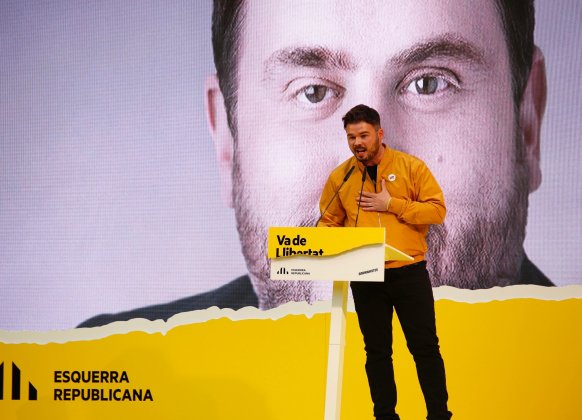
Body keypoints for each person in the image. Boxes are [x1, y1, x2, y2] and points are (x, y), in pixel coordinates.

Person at [80, 0, 551, 327]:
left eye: (429, 84)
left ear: (526, 123)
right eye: (313, 92)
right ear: (228, 142)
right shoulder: (102, 382)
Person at [318, 104, 451, 419]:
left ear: (379, 134)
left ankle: (439, 414)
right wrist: (330, 240)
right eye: (351, 137)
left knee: (425, 349)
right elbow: (327, 223)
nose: (357, 143)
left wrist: (392, 204)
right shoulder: (341, 176)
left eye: (363, 135)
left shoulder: (410, 167)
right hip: (366, 277)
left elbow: (437, 210)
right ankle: (385, 416)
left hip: (409, 275)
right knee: (377, 352)